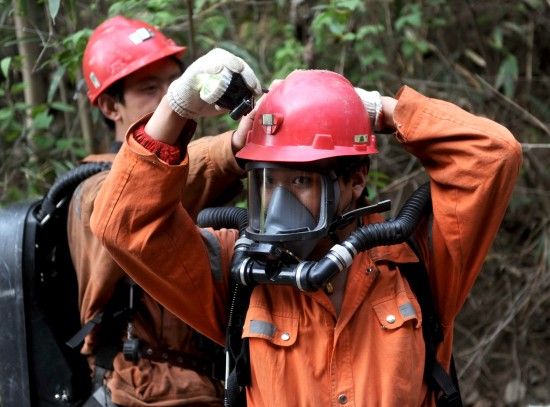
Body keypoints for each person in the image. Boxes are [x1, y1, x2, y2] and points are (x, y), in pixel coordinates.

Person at [90, 58, 522, 405]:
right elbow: (124, 224)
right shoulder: (238, 271)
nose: (279, 204)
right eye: (267, 181)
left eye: (299, 181)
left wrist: (382, 111)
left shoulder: (415, 259)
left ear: (355, 180)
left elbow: (491, 156)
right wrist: (176, 111)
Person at [68, 17, 261, 406]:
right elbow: (127, 203)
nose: (169, 96)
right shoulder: (90, 190)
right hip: (139, 393)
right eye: (149, 88)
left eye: (172, 84)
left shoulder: (179, 172)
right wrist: (232, 147)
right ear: (110, 105)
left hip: (208, 387)